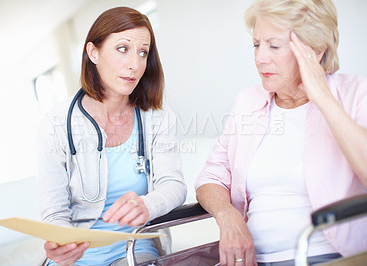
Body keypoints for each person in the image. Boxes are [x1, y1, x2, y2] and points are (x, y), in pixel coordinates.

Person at [195, 0, 367, 265]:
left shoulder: (355, 93)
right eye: (256, 44)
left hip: (327, 255)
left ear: (316, 49)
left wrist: (320, 95)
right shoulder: (247, 102)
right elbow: (212, 176)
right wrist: (227, 215)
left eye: (274, 46)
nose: (259, 57)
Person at [36, 6, 186, 266]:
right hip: (77, 256)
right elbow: (54, 212)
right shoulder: (57, 123)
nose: (135, 65)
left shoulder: (158, 117)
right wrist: (60, 244)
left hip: (134, 247)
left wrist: (148, 205)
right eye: (122, 49)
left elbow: (174, 185)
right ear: (93, 52)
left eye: (143, 53)